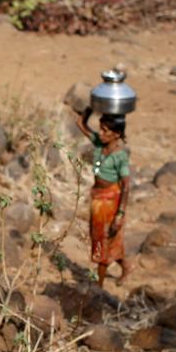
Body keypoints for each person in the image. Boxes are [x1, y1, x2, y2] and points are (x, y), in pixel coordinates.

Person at [76, 108, 131, 288]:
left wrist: (120, 213)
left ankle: (98, 286)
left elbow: (126, 186)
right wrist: (92, 106)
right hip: (98, 197)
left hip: (111, 201)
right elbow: (80, 124)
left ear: (116, 135)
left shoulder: (119, 156)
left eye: (105, 131)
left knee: (104, 240)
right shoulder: (100, 144)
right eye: (101, 129)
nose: (101, 133)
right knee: (101, 237)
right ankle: (126, 266)